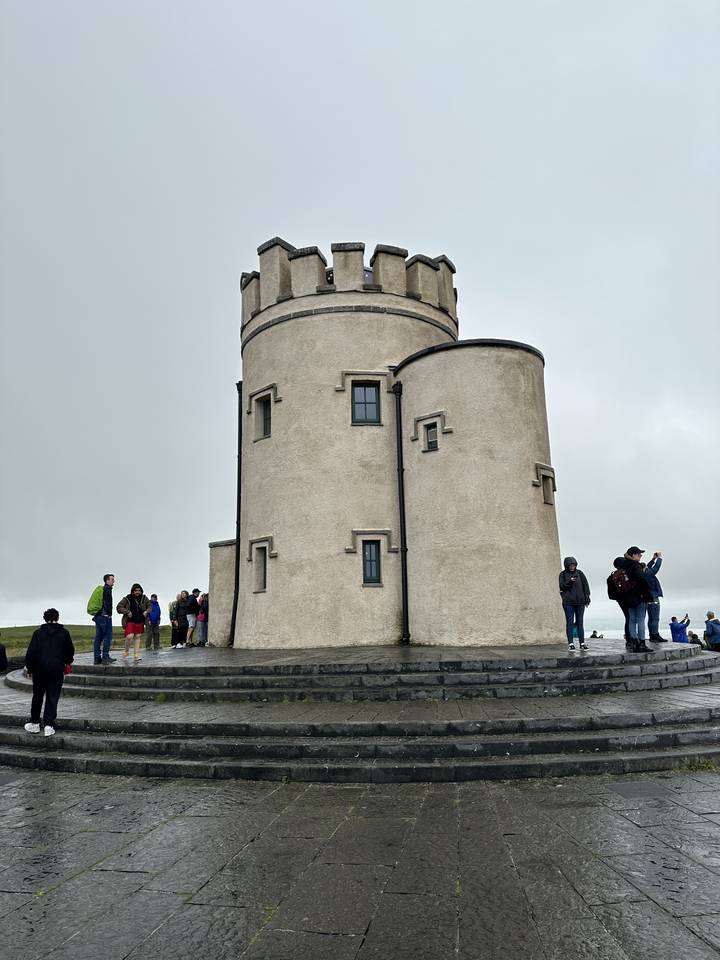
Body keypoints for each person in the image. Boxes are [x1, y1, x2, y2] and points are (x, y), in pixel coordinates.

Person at [24, 608, 74, 737]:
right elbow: (69, 650)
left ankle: (35, 723)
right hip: (56, 668)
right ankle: (49, 725)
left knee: (37, 696)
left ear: (45, 618)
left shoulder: (37, 633)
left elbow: (31, 652)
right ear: (57, 618)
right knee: (52, 696)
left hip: (39, 669)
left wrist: (29, 668)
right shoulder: (64, 633)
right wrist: (67, 661)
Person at [613, 547, 654, 653]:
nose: (640, 556)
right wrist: (648, 594)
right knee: (640, 620)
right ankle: (642, 644)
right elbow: (641, 580)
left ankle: (634, 643)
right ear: (633, 555)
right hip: (639, 597)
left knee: (631, 620)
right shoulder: (635, 566)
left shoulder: (624, 565)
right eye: (639, 554)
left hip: (628, 598)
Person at [558, 557, 591, 652]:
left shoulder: (580, 573)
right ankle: (571, 644)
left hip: (580, 602)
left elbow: (586, 586)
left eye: (574, 565)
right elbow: (562, 586)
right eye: (570, 565)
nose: (572, 567)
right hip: (568, 602)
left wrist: (587, 597)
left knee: (580, 622)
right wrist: (570, 581)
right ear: (567, 565)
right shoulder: (562, 574)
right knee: (570, 622)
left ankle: (582, 643)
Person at [117, 583, 151, 664]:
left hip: (140, 620)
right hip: (130, 621)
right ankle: (126, 651)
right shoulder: (127, 598)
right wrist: (127, 611)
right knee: (129, 636)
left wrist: (147, 611)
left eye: (139, 590)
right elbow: (119, 607)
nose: (137, 592)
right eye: (136, 590)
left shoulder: (144, 598)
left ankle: (136, 655)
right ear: (132, 591)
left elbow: (150, 606)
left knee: (137, 637)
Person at [87, 573, 117, 665]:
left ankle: (97, 658)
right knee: (107, 637)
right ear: (107, 580)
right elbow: (107, 604)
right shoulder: (107, 589)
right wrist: (109, 614)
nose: (114, 581)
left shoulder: (102, 589)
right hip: (105, 617)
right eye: (112, 579)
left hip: (98, 616)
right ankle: (105, 657)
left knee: (98, 638)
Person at [643, 551, 666, 642]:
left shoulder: (644, 573)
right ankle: (655, 635)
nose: (648, 567)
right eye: (646, 567)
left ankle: (652, 634)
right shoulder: (648, 574)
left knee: (651, 618)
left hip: (647, 598)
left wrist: (653, 559)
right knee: (655, 618)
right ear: (644, 568)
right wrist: (659, 558)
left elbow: (649, 566)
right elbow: (656, 568)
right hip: (653, 598)